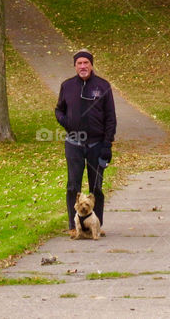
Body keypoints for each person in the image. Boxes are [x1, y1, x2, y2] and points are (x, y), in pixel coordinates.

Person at [55, 49, 116, 235]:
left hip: (97, 144)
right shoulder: (67, 86)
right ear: (75, 66)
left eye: (86, 63)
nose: (83, 66)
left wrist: (107, 144)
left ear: (91, 65)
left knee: (96, 187)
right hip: (74, 143)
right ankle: (74, 227)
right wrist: (67, 123)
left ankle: (95, 226)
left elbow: (111, 118)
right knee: (73, 185)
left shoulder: (103, 86)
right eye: (79, 63)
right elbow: (59, 110)